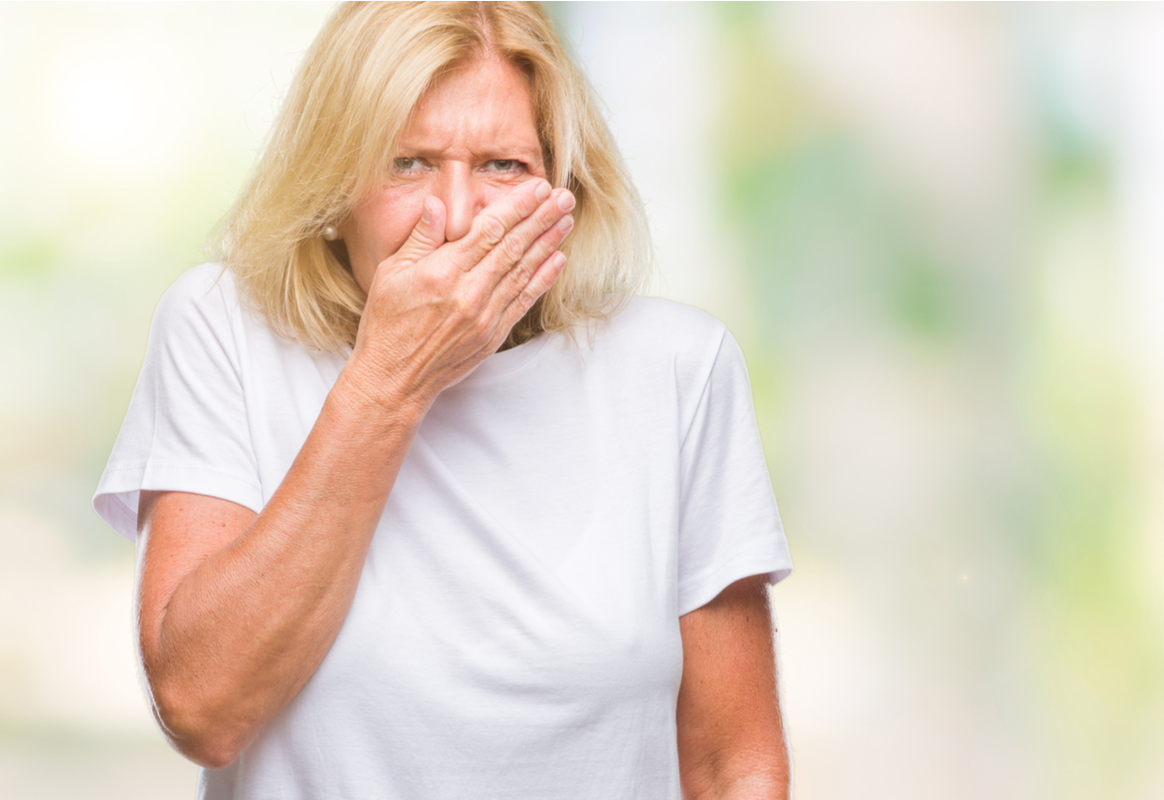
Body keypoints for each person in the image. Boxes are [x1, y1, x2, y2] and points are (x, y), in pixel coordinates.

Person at [93, 3, 794, 798]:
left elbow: (733, 764)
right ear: (333, 187)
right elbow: (201, 709)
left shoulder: (678, 367)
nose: (458, 218)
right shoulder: (221, 328)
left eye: (504, 166)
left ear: (566, 185)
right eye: (407, 163)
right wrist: (390, 379)